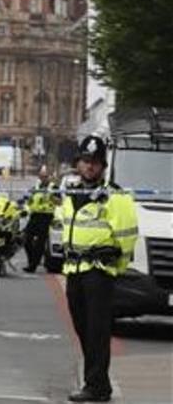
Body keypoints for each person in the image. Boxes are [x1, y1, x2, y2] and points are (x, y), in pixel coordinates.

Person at [60, 135, 139, 403]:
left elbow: (127, 236)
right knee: (83, 328)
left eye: (95, 162)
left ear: (103, 166)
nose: (90, 167)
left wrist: (115, 267)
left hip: (99, 271)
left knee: (97, 331)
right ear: (77, 163)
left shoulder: (115, 196)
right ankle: (96, 382)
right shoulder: (72, 193)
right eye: (85, 161)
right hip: (74, 270)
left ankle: (96, 386)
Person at [21, 165, 58, 273]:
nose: (43, 178)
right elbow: (29, 200)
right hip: (35, 215)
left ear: (49, 177)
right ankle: (33, 260)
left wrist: (52, 197)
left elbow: (60, 202)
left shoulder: (53, 187)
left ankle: (32, 265)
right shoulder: (36, 187)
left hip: (46, 216)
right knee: (26, 239)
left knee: (40, 243)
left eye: (45, 176)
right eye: (41, 176)